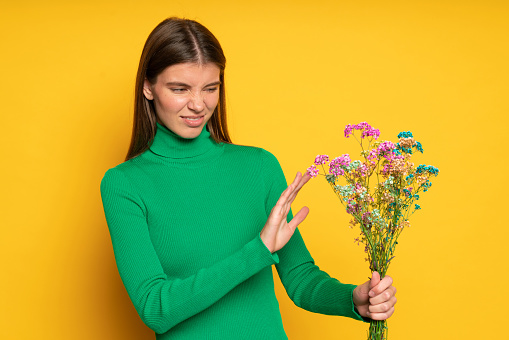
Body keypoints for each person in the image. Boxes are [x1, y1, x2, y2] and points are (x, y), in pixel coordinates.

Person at [100, 17, 396, 340]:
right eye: (180, 89)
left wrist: (352, 299)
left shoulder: (259, 167)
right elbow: (156, 308)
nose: (198, 104)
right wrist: (256, 251)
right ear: (148, 86)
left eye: (210, 88)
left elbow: (300, 277)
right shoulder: (124, 185)